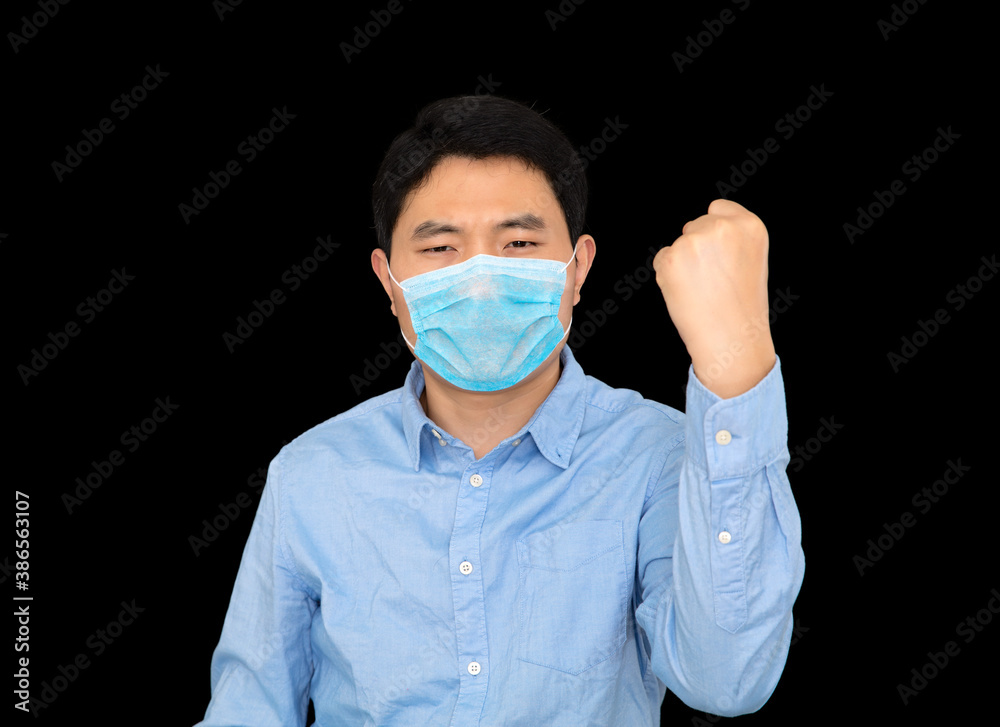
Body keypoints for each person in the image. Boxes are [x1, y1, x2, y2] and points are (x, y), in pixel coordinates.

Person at [195, 94, 805, 726]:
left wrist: (737, 364)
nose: (482, 277)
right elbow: (250, 712)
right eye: (440, 249)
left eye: (518, 241)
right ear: (388, 282)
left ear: (578, 268)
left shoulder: (660, 455)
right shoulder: (312, 473)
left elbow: (727, 680)